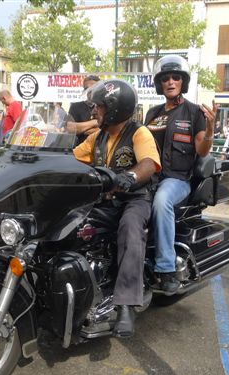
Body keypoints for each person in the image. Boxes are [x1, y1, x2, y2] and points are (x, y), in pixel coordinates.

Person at [73, 79, 161, 338]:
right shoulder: (97, 137)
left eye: (98, 106)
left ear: (114, 108)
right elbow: (71, 156)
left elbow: (149, 163)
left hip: (135, 199)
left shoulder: (139, 133)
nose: (93, 111)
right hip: (106, 200)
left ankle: (126, 305)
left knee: (130, 228)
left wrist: (130, 177)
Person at [145, 55, 216, 293]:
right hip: (151, 178)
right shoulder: (152, 114)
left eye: (176, 77)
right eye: (165, 78)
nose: (170, 82)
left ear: (183, 82)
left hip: (178, 180)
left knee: (162, 201)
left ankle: (166, 268)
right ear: (160, 83)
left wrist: (210, 130)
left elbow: (202, 150)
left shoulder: (194, 112)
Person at [69, 75, 101, 146]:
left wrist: (81, 129)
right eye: (86, 88)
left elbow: (108, 130)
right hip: (80, 147)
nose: (89, 91)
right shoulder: (75, 106)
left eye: (93, 88)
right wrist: (95, 122)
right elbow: (70, 129)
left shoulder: (104, 106)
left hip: (100, 148)